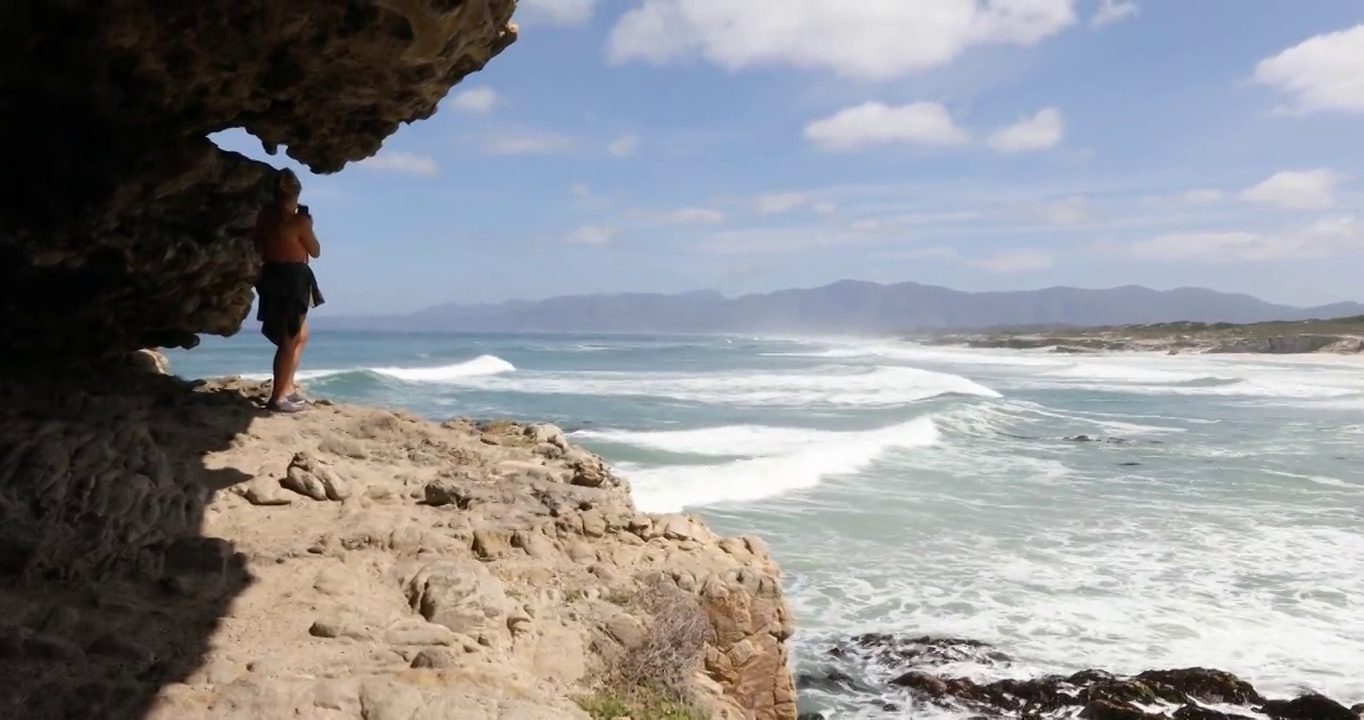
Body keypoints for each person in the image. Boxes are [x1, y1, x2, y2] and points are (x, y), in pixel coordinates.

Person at [253, 169, 324, 413]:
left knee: (300, 335)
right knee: (289, 337)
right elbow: (315, 251)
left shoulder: (264, 217)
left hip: (270, 276)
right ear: (295, 195)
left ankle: (287, 387)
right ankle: (278, 397)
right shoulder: (297, 221)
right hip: (292, 278)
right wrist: (309, 225)